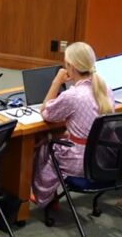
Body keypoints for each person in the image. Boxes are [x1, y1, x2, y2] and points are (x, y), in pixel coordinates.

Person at [30, 42, 115, 211]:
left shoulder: (72, 96)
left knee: (43, 144)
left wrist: (56, 82)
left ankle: (43, 196)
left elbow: (46, 112)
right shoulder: (105, 88)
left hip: (79, 162)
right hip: (103, 157)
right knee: (62, 136)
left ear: (70, 66)